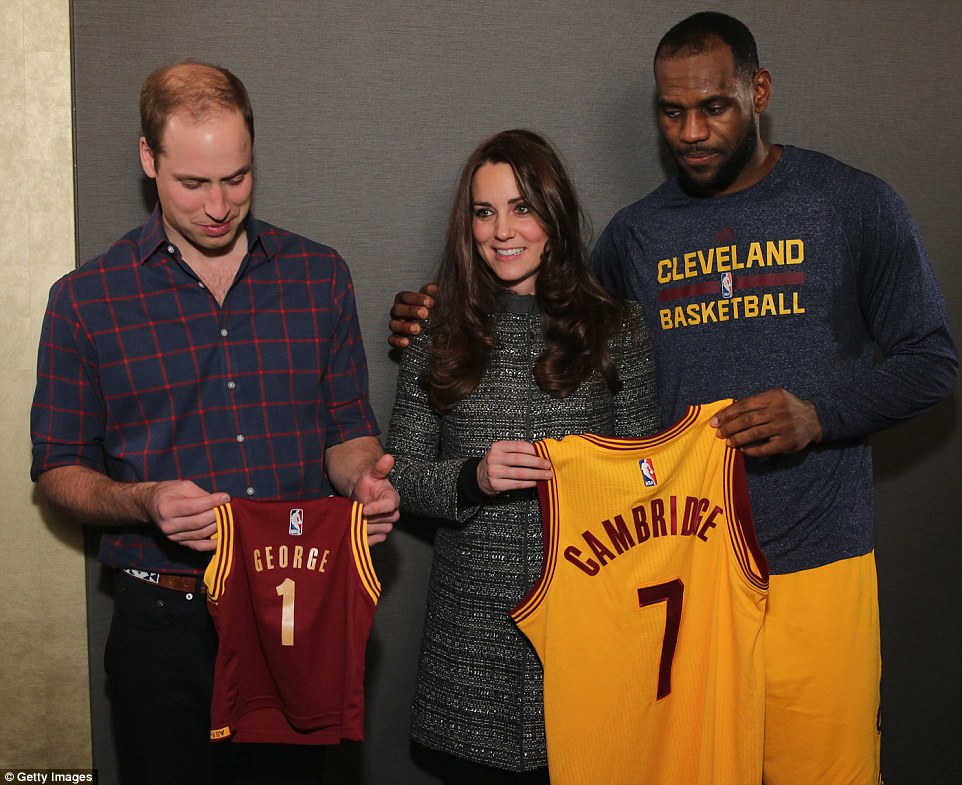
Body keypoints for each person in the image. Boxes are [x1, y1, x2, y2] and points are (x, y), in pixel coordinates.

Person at [389, 13, 958, 785]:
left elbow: (932, 361)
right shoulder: (637, 235)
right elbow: (548, 306)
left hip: (814, 560)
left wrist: (819, 414)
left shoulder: (853, 203)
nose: (692, 131)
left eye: (714, 106)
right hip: (680, 574)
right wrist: (436, 311)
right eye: (672, 111)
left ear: (759, 91)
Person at [31, 60, 399, 785]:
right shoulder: (85, 300)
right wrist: (144, 500)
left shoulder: (319, 275)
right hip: (162, 621)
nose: (218, 205)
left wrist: (364, 481)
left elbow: (346, 432)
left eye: (236, 177)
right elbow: (57, 471)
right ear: (148, 159)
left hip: (290, 605)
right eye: (193, 183)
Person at [386, 129, 660, 784]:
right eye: (484, 211)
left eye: (521, 208)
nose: (502, 230)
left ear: (554, 216)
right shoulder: (435, 329)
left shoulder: (617, 327)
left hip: (587, 630)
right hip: (470, 645)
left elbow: (647, 486)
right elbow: (399, 476)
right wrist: (472, 477)